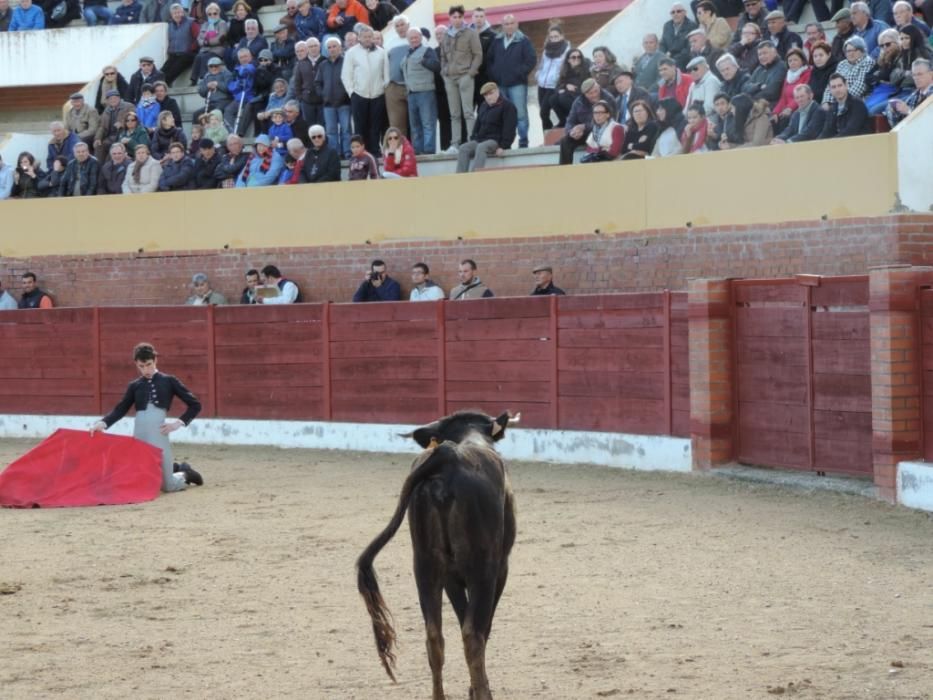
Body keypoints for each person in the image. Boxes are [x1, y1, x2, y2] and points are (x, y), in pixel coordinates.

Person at [90, 342, 203, 493]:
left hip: (159, 433)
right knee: (140, 479)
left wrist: (178, 423)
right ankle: (172, 467)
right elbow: (121, 409)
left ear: (155, 360)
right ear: (136, 364)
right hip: (140, 434)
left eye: (149, 365)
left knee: (167, 487)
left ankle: (185, 472)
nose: (146, 370)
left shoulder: (169, 381)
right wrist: (102, 423)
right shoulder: (134, 385)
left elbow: (195, 405)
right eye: (141, 366)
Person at [485, 15, 536, 149]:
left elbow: (531, 60)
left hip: (517, 84)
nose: (509, 26)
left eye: (511, 23)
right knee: (503, 115)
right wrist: (494, 74)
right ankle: (505, 144)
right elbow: (489, 60)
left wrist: (518, 73)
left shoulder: (524, 41)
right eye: (506, 24)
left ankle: (523, 142)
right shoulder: (496, 41)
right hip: (500, 84)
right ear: (502, 26)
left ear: (517, 24)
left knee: (520, 114)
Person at [440, 5, 482, 153]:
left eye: (459, 17)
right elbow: (443, 57)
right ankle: (455, 144)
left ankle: (471, 141)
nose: (456, 20)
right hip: (450, 79)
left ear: (463, 17)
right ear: (450, 18)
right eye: (454, 17)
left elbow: (478, 54)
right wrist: (444, 72)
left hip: (465, 76)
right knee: (454, 114)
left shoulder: (470, 33)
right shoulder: (446, 35)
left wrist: (470, 73)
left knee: (468, 112)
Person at [341, 24, 388, 156]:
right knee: (360, 126)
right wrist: (352, 92)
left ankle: (375, 150)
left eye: (370, 36)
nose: (367, 39)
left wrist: (382, 89)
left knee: (376, 125)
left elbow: (386, 74)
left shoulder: (381, 52)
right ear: (359, 38)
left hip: (377, 94)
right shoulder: (351, 53)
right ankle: (361, 152)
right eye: (364, 37)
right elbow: (346, 75)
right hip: (359, 95)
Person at [456, 82, 517, 173]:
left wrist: (503, 146)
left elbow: (510, 129)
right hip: (481, 139)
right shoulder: (483, 106)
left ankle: (475, 176)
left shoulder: (508, 106)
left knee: (481, 147)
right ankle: (459, 178)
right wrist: (473, 138)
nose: (488, 97)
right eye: (486, 95)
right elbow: (477, 125)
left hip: (496, 140)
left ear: (497, 91)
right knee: (463, 148)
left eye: (490, 93)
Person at [402, 25, 441, 155]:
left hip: (425, 92)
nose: (414, 40)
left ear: (420, 37)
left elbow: (436, 66)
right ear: (408, 39)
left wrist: (424, 61)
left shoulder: (427, 50)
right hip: (411, 93)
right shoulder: (407, 53)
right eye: (411, 38)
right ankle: (417, 151)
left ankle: (429, 151)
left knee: (428, 124)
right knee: (415, 126)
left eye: (416, 37)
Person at [558, 78, 614, 165]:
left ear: (599, 87)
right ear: (584, 94)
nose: (595, 95)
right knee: (565, 141)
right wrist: (572, 132)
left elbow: (609, 122)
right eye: (590, 93)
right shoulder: (578, 102)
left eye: (596, 91)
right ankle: (565, 170)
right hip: (585, 134)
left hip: (603, 133)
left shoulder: (609, 99)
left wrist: (584, 127)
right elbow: (570, 121)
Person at [317, 37, 352, 159]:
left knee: (346, 130)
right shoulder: (323, 65)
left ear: (340, 47)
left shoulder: (347, 62)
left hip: (344, 103)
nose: (332, 49)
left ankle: (347, 152)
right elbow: (318, 83)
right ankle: (335, 154)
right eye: (329, 47)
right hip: (328, 104)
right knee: (331, 132)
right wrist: (323, 95)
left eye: (334, 46)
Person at [535, 25, 570, 132]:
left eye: (556, 36)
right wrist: (538, 75)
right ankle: (547, 134)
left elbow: (566, 69)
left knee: (544, 112)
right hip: (542, 84)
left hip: (553, 85)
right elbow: (542, 65)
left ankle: (555, 130)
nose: (554, 39)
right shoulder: (547, 49)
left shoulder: (567, 50)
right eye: (551, 37)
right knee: (543, 114)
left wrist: (559, 81)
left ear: (562, 36)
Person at [821, 72, 873, 137]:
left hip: (859, 144)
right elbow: (826, 132)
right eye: (833, 87)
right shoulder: (832, 109)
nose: (837, 90)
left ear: (846, 85)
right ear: (830, 89)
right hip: (840, 144)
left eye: (840, 85)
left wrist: (832, 142)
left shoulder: (858, 105)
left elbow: (850, 131)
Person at [384, 15, 411, 139]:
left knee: (415, 122)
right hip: (394, 87)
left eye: (402, 24)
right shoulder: (390, 43)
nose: (400, 28)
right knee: (396, 124)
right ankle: (401, 149)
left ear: (408, 25)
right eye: (397, 26)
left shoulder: (415, 38)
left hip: (413, 86)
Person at [886, 57, 933, 126]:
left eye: (920, 74)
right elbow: (900, 125)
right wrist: (894, 111)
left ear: (931, 74)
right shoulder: (914, 95)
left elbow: (929, 122)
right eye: (914, 75)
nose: (916, 78)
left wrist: (909, 111)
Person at [551, 49, 591, 127]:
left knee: (563, 97)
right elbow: (557, 87)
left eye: (579, 57)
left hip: (581, 97)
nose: (576, 59)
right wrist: (565, 86)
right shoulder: (565, 70)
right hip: (569, 96)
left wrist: (566, 88)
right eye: (573, 57)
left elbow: (581, 87)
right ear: (568, 60)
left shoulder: (585, 70)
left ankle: (576, 120)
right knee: (553, 99)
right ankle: (563, 121)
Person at [162, 4, 199, 86]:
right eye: (175, 13)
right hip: (174, 54)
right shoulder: (170, 25)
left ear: (183, 13)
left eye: (179, 12)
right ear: (171, 15)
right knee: (161, 72)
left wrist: (190, 49)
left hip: (188, 54)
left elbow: (198, 38)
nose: (177, 15)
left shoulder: (191, 22)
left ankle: (165, 85)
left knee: (174, 70)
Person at [95, 90, 136, 162]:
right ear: (107, 100)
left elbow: (135, 121)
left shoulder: (129, 106)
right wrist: (98, 138)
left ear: (119, 98)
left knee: (112, 149)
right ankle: (98, 169)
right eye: (110, 99)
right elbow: (102, 126)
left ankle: (109, 167)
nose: (113, 100)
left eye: (115, 98)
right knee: (99, 146)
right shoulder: (106, 110)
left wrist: (123, 124)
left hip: (122, 135)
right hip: (109, 136)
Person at [746, 40, 787, 105]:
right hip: (755, 103)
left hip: (771, 105)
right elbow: (746, 87)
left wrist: (751, 98)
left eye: (765, 53)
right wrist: (759, 86)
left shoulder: (781, 67)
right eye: (759, 54)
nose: (762, 57)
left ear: (775, 53)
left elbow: (772, 91)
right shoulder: (759, 69)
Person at [661, 2, 699, 71]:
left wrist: (672, 60)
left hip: (684, 61)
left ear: (685, 13)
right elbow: (662, 44)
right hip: (668, 59)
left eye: (678, 11)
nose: (675, 14)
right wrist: (662, 56)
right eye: (673, 12)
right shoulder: (667, 25)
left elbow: (688, 49)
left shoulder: (691, 26)